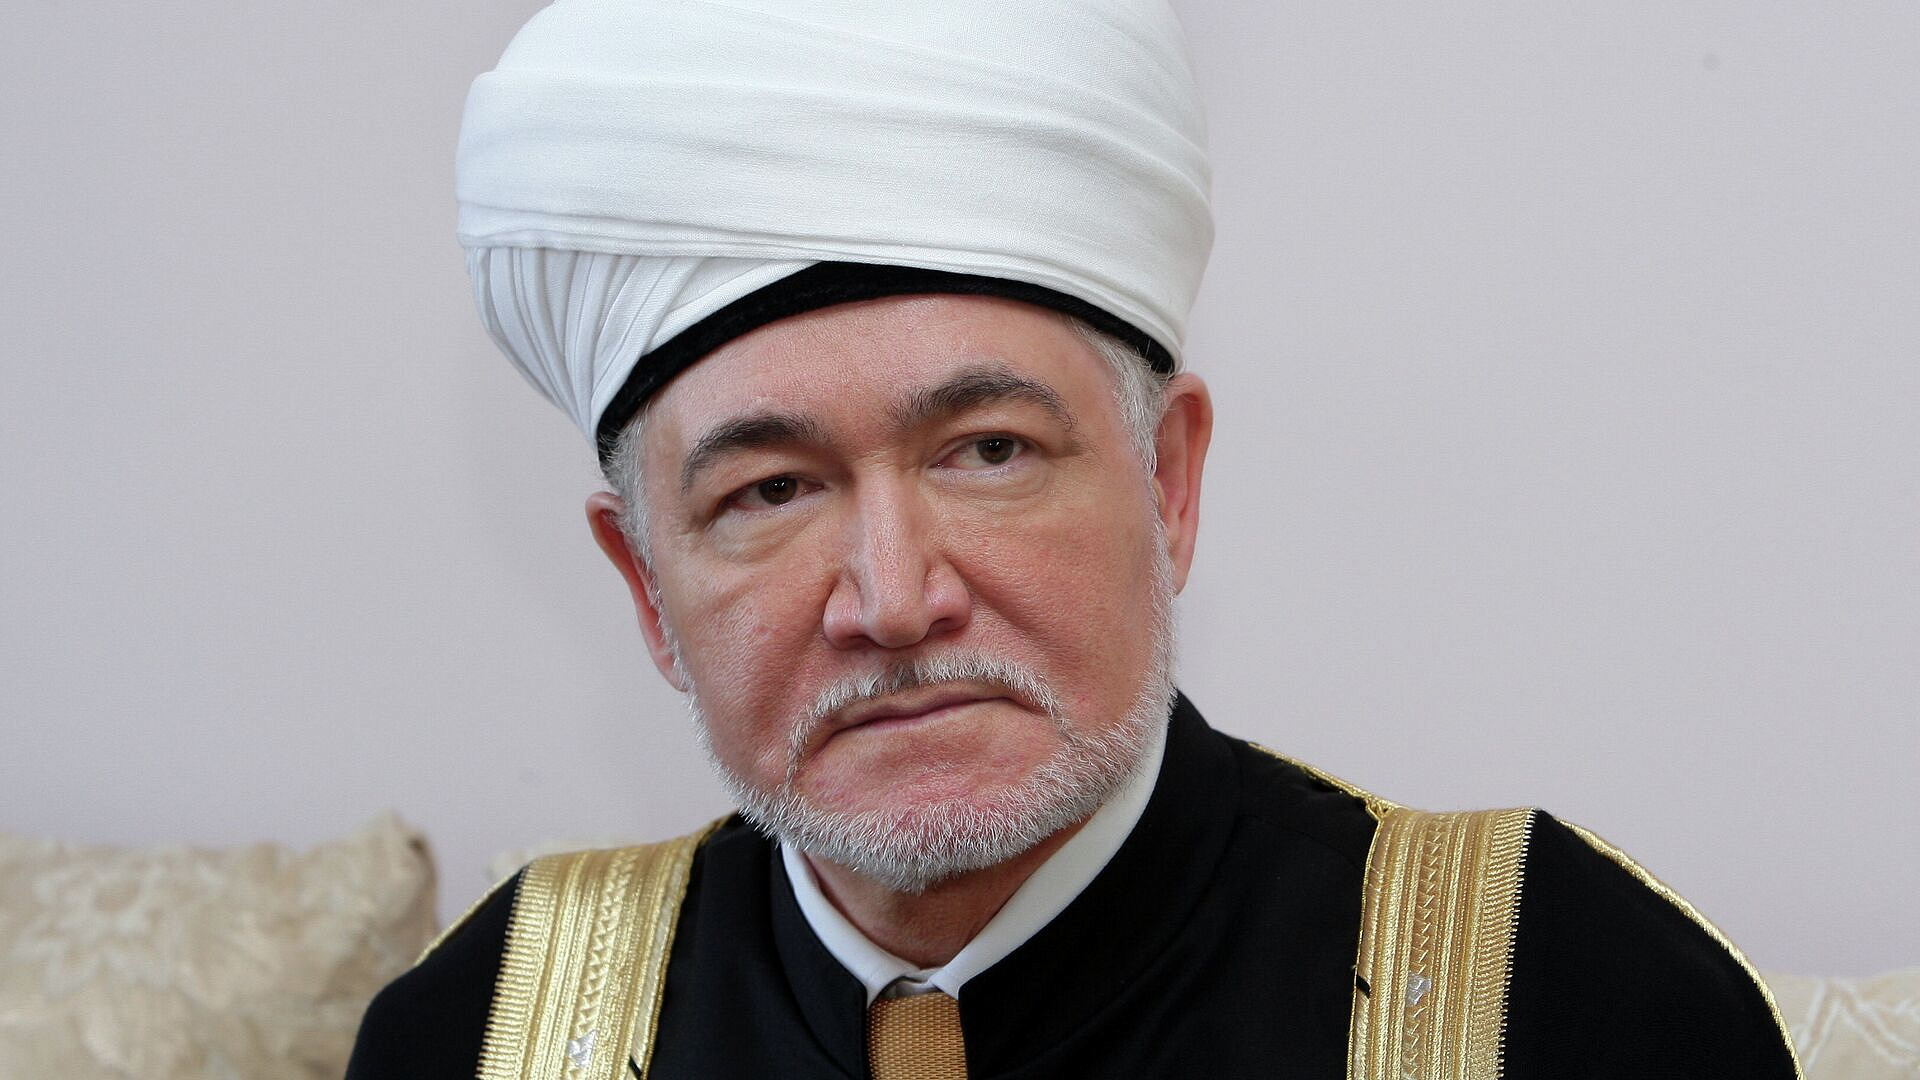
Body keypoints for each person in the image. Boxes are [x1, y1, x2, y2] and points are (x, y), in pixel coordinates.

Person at [348, 1, 1800, 1077]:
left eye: (987, 454)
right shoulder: (483, 1038)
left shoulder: (1561, 1007)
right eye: (771, 492)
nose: (894, 599)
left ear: (1168, 482)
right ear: (647, 589)